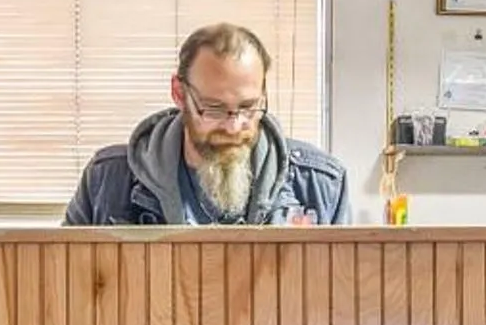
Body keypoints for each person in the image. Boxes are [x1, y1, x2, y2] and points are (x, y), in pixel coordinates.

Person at [63, 22, 350, 226]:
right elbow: (64, 285)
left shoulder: (322, 185)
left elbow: (342, 290)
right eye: (214, 109)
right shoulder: (106, 181)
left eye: (248, 107)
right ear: (179, 93)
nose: (234, 127)